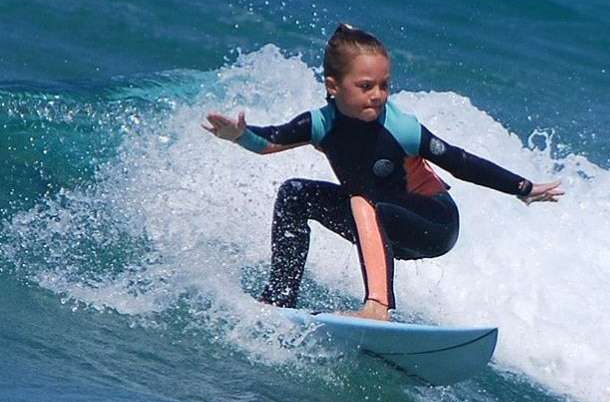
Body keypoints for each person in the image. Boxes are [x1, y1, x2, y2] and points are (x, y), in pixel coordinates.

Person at [203, 23, 563, 321]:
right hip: (374, 226)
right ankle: (280, 298)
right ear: (333, 86)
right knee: (294, 193)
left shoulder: (401, 128)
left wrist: (523, 187)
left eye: (384, 85)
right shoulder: (320, 123)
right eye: (365, 86)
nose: (377, 95)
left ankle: (377, 307)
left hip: (431, 223)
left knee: (363, 199)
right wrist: (240, 136)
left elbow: (460, 162)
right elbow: (269, 141)